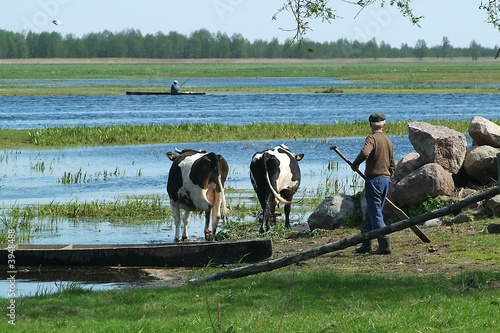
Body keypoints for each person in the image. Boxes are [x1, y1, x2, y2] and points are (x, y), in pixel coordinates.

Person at [351, 112, 396, 255]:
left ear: (370, 124)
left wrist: (355, 164)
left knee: (375, 212)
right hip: (385, 180)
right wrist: (388, 176)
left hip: (374, 180)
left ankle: (384, 244)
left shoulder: (372, 138)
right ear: (385, 125)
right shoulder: (388, 141)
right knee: (373, 211)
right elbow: (393, 164)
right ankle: (366, 243)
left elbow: (365, 153)